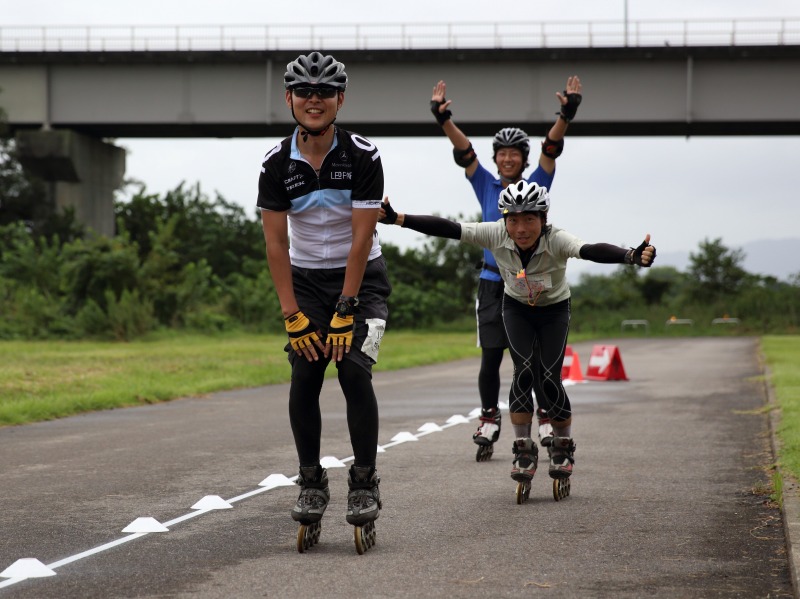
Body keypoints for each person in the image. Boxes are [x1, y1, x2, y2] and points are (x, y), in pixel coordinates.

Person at [378, 181, 655, 487]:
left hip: (554, 310)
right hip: (516, 308)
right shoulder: (496, 233)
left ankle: (563, 446)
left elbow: (589, 250)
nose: (521, 228)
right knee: (522, 372)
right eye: (513, 220)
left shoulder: (557, 239)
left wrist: (630, 255)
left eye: (529, 219)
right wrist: (398, 218)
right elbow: (450, 228)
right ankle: (523, 448)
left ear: (543, 219)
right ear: (504, 220)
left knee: (549, 378)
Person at [257, 52, 390, 545]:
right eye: (305, 92)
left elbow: (361, 239)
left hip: (362, 279)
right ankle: (311, 480)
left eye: (325, 92)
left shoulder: (363, 155)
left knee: (353, 368)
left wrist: (347, 308)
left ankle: (364, 481)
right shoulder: (275, 163)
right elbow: (276, 244)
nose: (314, 100)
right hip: (307, 281)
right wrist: (292, 314)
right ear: (289, 98)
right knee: (305, 370)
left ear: (340, 100)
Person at [429, 76, 583, 458]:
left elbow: (551, 149)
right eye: (502, 153)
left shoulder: (535, 186)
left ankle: (545, 413)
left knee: (531, 359)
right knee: (490, 355)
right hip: (492, 281)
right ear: (495, 157)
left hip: (529, 284)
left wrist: (565, 114)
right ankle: (487, 416)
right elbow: (465, 153)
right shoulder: (484, 184)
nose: (509, 158)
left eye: (516, 153)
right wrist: (444, 120)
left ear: (523, 159)